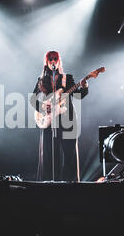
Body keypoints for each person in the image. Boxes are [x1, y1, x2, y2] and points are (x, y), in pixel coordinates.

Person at [30, 51, 89, 182]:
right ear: (46, 62)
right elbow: (33, 99)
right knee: (49, 154)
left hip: (67, 119)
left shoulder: (67, 78)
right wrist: (43, 107)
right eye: (50, 59)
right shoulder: (41, 80)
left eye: (55, 59)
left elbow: (79, 95)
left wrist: (84, 86)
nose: (52, 61)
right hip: (49, 120)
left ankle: (71, 183)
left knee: (69, 153)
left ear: (58, 61)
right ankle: (49, 183)